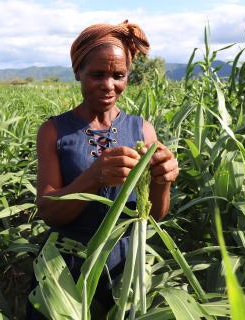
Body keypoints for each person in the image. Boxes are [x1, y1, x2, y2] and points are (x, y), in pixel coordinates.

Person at [29, 21, 179, 317]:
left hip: (125, 268)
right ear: (78, 72)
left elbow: (154, 215)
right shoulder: (54, 131)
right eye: (97, 74)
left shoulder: (142, 130)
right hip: (67, 269)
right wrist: (94, 177)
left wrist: (163, 181)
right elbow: (48, 211)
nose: (109, 85)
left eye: (118, 75)